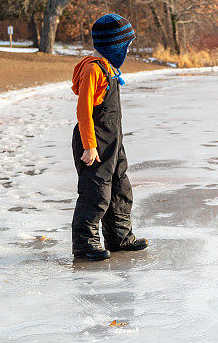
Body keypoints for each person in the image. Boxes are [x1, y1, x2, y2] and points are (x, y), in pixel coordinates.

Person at [70, 14, 148, 262]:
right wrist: (90, 146)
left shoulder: (108, 68)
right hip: (93, 141)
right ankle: (85, 244)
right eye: (126, 46)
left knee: (119, 188)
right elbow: (84, 111)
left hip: (112, 140)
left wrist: (117, 144)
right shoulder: (93, 69)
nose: (127, 51)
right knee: (96, 192)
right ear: (115, 46)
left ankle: (119, 237)